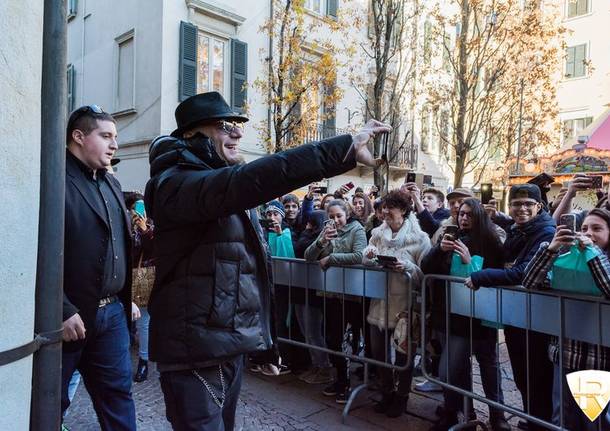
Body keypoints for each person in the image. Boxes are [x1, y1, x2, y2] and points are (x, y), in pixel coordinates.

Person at [144, 91, 389, 430]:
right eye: (225, 125)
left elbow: (248, 266)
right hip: (195, 353)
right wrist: (343, 147)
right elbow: (255, 179)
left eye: (237, 125)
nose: (238, 133)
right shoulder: (176, 184)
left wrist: (263, 343)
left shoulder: (216, 186)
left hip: (224, 346)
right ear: (191, 134)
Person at [62, 105, 138, 430]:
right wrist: (59, 308)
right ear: (78, 137)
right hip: (70, 319)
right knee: (51, 403)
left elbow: (117, 248)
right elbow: (33, 251)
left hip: (112, 315)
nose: (115, 144)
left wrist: (125, 297)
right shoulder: (53, 178)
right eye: (106, 135)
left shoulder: (112, 184)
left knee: (118, 399)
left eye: (115, 137)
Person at [465, 184, 556, 431]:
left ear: (539, 206)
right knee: (523, 375)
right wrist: (501, 219)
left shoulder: (546, 232)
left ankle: (540, 424)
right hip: (517, 315)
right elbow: (515, 232)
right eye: (516, 204)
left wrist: (481, 276)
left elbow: (522, 272)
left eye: (528, 204)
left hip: (536, 317)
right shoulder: (521, 228)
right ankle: (532, 419)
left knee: (536, 375)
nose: (522, 208)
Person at [422, 198, 510, 431]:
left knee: (488, 366)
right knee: (453, 369)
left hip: (480, 316)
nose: (463, 218)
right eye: (461, 214)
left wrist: (470, 263)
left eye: (469, 214)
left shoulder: (491, 241)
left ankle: (497, 415)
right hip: (450, 314)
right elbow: (427, 268)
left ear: (479, 216)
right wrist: (439, 250)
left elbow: (495, 275)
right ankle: (459, 413)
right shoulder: (449, 238)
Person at [523, 208, 610, 430]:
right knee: (562, 420)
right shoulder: (564, 259)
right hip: (564, 354)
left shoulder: (602, 259)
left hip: (596, 361)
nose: (588, 233)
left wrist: (592, 253)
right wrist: (551, 249)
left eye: (597, 228)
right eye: (583, 229)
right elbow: (530, 282)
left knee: (594, 423)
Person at [362, 190, 431, 418]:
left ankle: (402, 396)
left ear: (403, 210)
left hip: (405, 306)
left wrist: (408, 268)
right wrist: (369, 256)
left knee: (404, 356)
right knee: (379, 353)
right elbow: (366, 259)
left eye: (390, 207)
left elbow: (425, 276)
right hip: (378, 302)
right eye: (382, 208)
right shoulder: (376, 234)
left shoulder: (420, 238)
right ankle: (387, 391)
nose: (384, 212)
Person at [304, 199, 367, 403]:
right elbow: (308, 256)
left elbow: (359, 255)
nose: (335, 220)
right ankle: (340, 378)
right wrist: (322, 242)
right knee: (331, 337)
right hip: (330, 292)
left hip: (351, 293)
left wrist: (331, 259)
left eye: (338, 216)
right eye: (331, 217)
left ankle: (352, 381)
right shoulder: (325, 232)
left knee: (348, 338)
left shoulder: (356, 229)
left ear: (346, 214)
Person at [293, 210, 335, 385]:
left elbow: (304, 249)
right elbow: (299, 248)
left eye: (311, 223)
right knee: (306, 331)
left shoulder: (322, 240)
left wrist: (310, 235)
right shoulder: (309, 236)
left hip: (316, 291)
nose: (307, 225)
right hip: (302, 288)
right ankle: (316, 365)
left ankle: (324, 367)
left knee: (313, 331)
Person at [124, 191, 155, 382]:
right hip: (124, 277)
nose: (138, 212)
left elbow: (154, 249)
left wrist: (143, 229)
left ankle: (144, 360)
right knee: (125, 320)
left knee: (143, 321)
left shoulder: (151, 226)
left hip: (143, 277)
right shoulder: (124, 222)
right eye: (135, 208)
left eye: (142, 207)